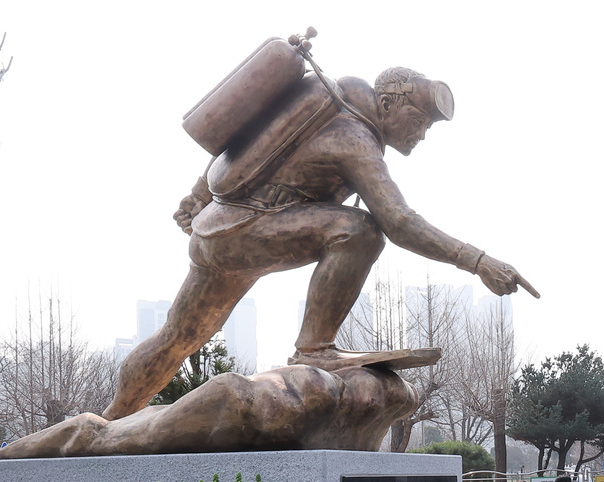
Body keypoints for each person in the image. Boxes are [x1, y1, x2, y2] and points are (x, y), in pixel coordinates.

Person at [106, 64, 537, 420]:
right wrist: (477, 260)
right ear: (387, 105)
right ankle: (314, 349)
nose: (421, 135)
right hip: (250, 228)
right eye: (419, 121)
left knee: (178, 336)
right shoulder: (355, 137)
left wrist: (200, 195)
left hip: (221, 227)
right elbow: (399, 222)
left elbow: (247, 137)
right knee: (360, 231)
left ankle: (110, 421)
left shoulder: (322, 100)